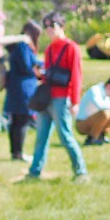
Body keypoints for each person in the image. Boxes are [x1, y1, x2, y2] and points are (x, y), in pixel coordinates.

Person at [26, 12, 88, 183]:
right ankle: (34, 172)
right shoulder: (49, 50)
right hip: (47, 97)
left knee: (65, 136)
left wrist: (75, 102)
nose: (49, 30)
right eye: (46, 27)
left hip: (62, 98)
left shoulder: (71, 48)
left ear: (62, 27)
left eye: (52, 26)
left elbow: (76, 75)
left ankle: (81, 171)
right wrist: (40, 74)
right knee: (41, 137)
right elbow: (48, 74)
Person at [2, 19, 43, 161]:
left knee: (16, 121)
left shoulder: (17, 46)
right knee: (22, 120)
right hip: (23, 88)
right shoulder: (23, 46)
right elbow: (26, 66)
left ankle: (15, 152)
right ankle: (18, 153)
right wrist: (38, 70)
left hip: (16, 86)